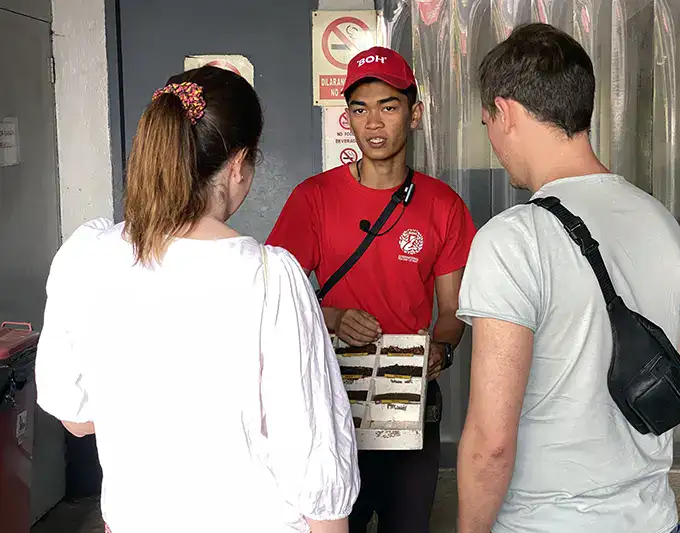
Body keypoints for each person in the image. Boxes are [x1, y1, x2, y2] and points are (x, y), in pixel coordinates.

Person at [34, 66, 359, 533]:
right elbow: (314, 468)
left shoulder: (86, 257)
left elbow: (78, 419)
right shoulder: (270, 278)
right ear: (238, 165)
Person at [455, 23, 680, 533]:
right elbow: (667, 389)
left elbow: (491, 443)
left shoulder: (512, 239)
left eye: (488, 123)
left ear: (506, 112)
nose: (494, 143)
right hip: (654, 519)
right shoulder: (662, 223)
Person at [266, 46, 476, 532]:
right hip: (332, 397)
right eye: (360, 109)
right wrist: (335, 317)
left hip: (409, 401)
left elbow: (453, 312)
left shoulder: (442, 205)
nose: (374, 123)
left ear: (414, 113)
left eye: (389, 106)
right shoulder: (313, 198)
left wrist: (440, 349)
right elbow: (277, 301)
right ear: (349, 118)